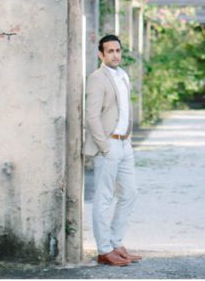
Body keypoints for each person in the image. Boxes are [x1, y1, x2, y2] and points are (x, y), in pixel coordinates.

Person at [84, 34, 142, 266]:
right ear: (101, 54)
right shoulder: (97, 78)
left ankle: (116, 243)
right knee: (104, 198)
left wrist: (127, 140)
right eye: (110, 51)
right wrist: (105, 147)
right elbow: (91, 116)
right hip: (108, 145)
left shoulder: (123, 76)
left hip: (125, 144)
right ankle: (104, 250)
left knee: (130, 193)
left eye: (118, 50)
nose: (115, 55)